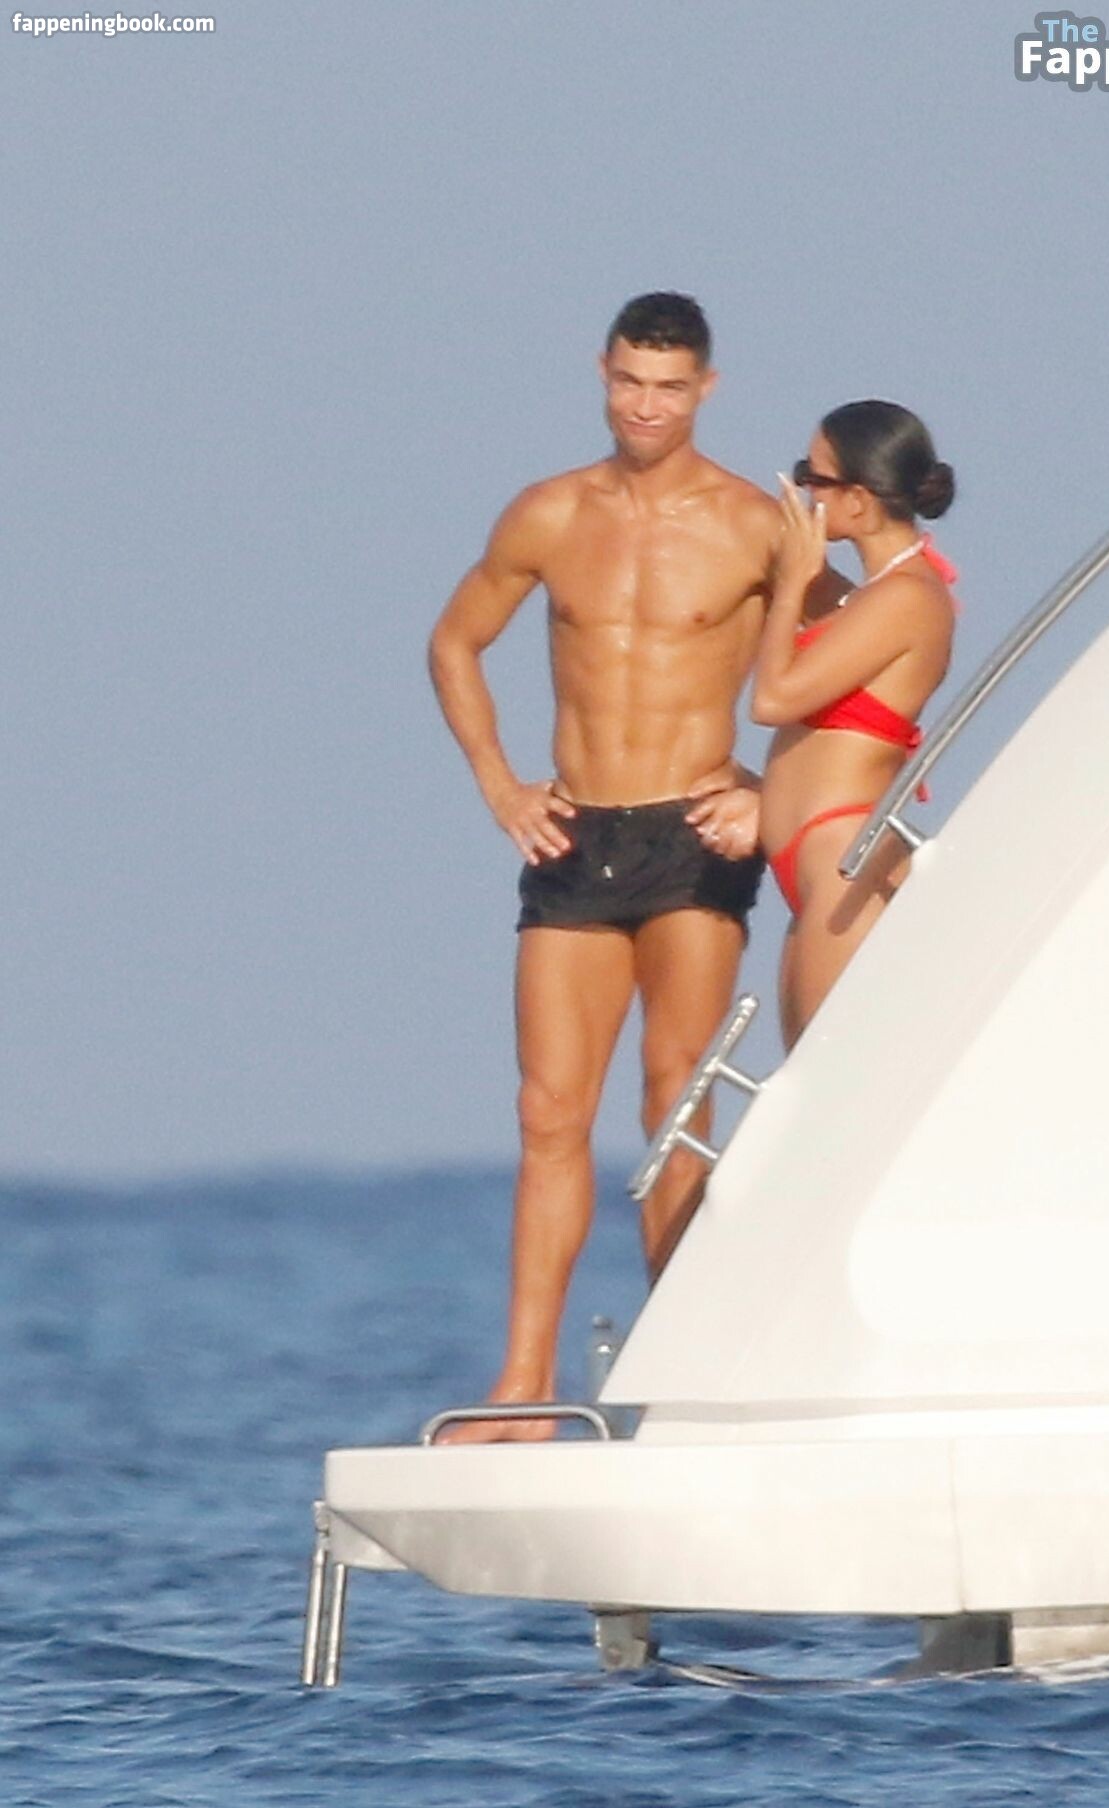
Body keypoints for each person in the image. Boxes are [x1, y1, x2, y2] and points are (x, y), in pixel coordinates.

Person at [428, 292, 778, 1441]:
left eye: (668, 387)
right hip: (576, 833)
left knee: (674, 1102)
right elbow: (454, 641)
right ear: (601, 373)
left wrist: (769, 792)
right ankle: (522, 1390)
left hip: (692, 832)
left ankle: (682, 1385)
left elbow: (848, 666)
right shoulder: (549, 511)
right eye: (629, 381)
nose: (646, 406)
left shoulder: (755, 523)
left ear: (705, 390)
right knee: (547, 1112)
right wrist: (499, 786)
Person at [752, 401, 956, 1048]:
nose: (806, 493)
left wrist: (792, 584)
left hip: (845, 859)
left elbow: (773, 699)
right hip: (816, 864)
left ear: (860, 502)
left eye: (813, 478)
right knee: (802, 1074)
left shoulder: (908, 597)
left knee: (826, 1076)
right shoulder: (865, 597)